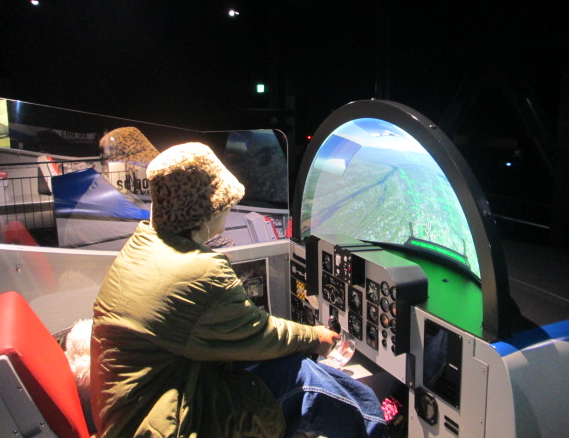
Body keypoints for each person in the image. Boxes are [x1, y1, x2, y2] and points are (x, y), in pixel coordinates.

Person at [91, 142, 388, 438]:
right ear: (208, 211)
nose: (229, 210)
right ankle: (377, 424)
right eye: (227, 205)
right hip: (165, 424)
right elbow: (259, 335)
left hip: (141, 408)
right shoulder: (198, 272)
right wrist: (316, 337)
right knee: (315, 383)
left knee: (281, 367)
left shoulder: (141, 247)